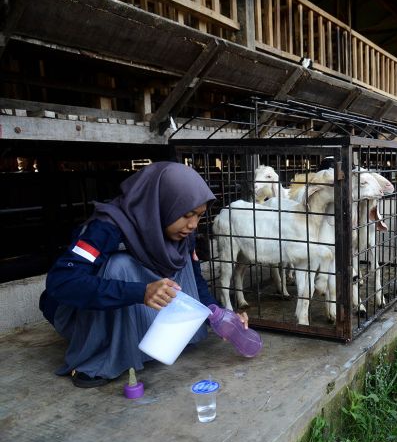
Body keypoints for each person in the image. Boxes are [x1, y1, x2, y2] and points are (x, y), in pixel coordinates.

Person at [39, 162, 248, 388]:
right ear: (162, 203)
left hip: (137, 305)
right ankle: (102, 352)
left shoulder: (182, 235)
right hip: (81, 314)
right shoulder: (106, 227)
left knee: (183, 260)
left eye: (199, 216)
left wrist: (217, 314)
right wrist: (141, 292)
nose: (192, 225)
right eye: (187, 214)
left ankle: (144, 340)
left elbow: (195, 280)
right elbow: (62, 281)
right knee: (121, 265)